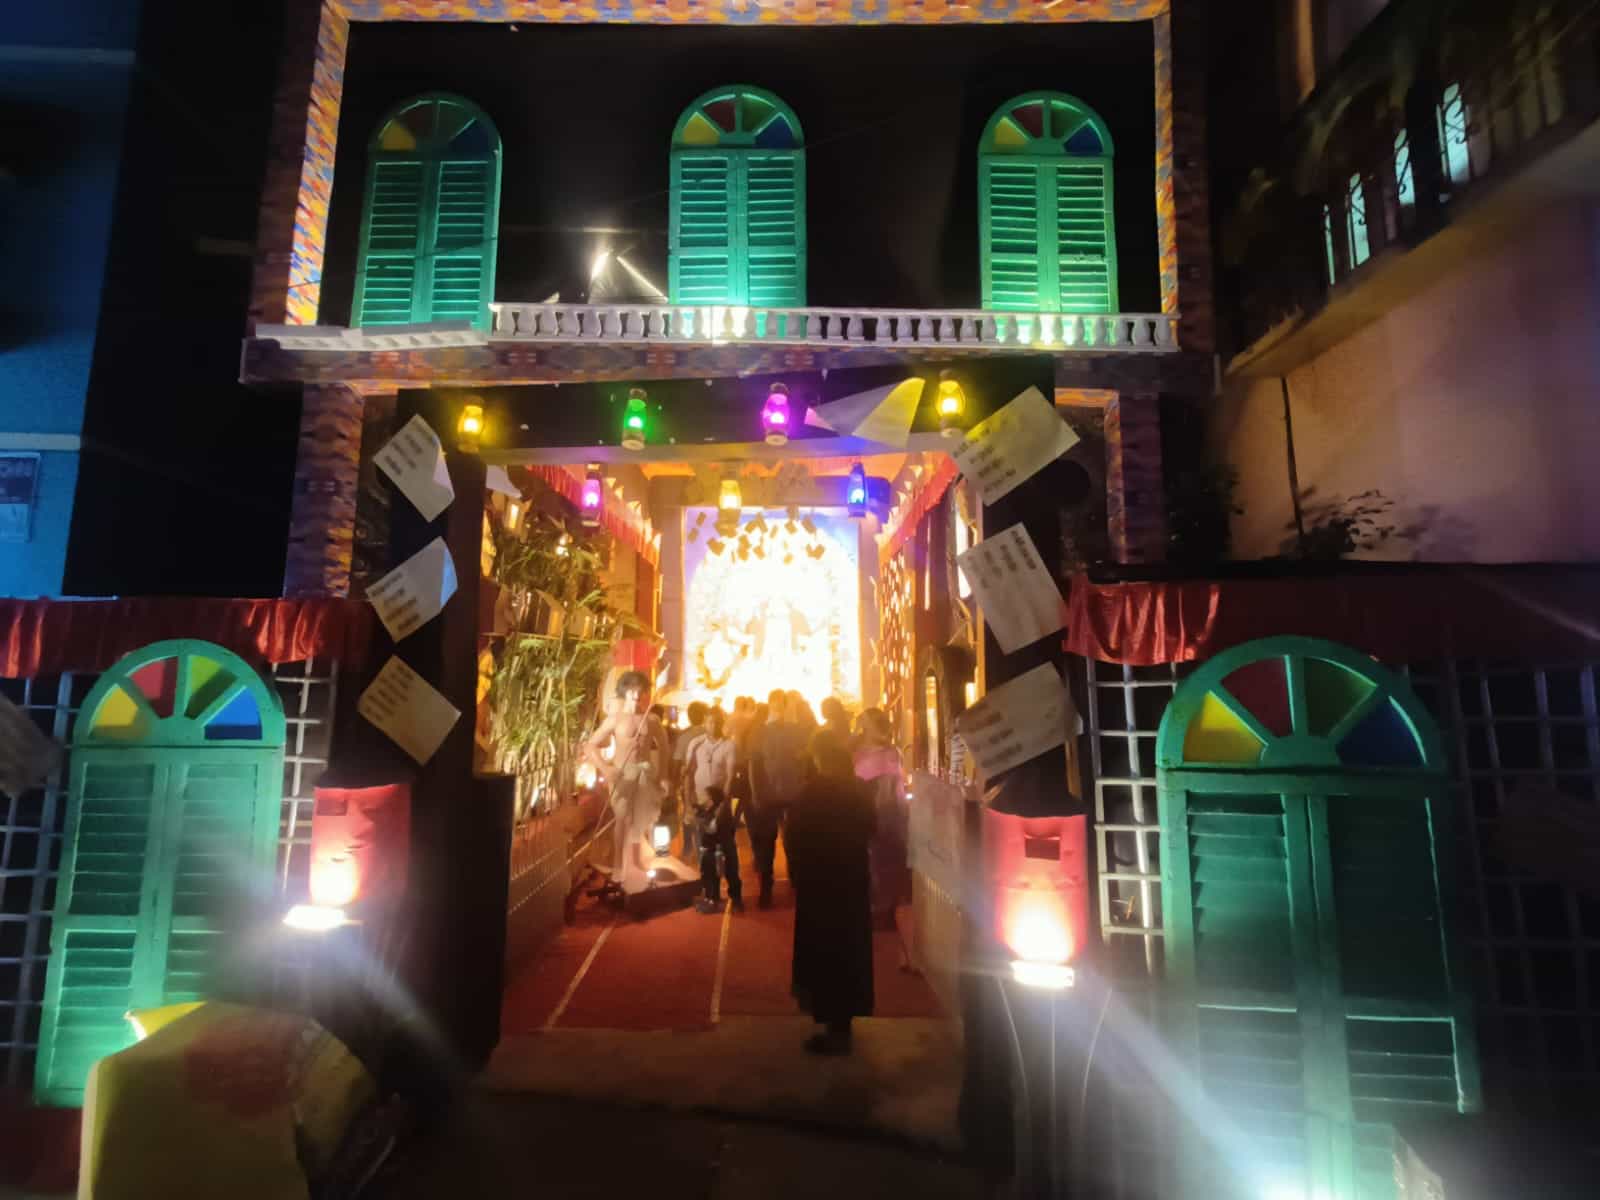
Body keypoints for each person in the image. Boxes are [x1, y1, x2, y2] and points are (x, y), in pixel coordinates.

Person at [786, 728, 876, 1055]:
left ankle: (834, 1026)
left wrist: (797, 875)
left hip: (820, 883)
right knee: (850, 949)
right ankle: (844, 1021)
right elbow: (872, 828)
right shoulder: (858, 790)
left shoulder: (812, 793)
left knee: (824, 952)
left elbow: (794, 836)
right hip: (851, 880)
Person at [582, 671, 669, 895]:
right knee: (622, 818)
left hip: (645, 774)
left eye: (640, 690)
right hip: (622, 774)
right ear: (625, 691)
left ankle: (637, 862)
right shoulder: (615, 718)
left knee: (641, 820)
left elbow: (665, 748)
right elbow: (590, 746)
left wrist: (663, 776)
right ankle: (619, 866)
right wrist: (605, 768)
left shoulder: (652, 719)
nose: (636, 695)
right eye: (632, 690)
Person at [749, 688, 806, 908]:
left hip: (791, 794)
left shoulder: (795, 730)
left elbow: (805, 760)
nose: (778, 708)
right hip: (769, 795)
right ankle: (767, 889)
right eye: (775, 703)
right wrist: (756, 792)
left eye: (781, 704)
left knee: (793, 841)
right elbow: (754, 764)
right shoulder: (760, 731)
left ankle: (795, 881)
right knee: (767, 843)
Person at [854, 707, 909, 935]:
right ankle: (885, 910)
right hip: (888, 813)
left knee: (879, 861)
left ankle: (881, 910)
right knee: (886, 861)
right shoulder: (891, 753)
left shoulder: (861, 754)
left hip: (876, 813)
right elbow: (898, 787)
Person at [693, 784, 743, 913]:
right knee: (710, 876)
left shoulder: (722, 811)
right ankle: (713, 899)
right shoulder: (704, 810)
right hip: (711, 850)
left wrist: (700, 820)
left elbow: (712, 828)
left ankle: (736, 901)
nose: (700, 796)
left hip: (724, 849)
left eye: (704, 795)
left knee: (731, 875)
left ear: (711, 798)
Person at [673, 701, 709, 862]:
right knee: (704, 817)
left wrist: (675, 782)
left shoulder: (684, 736)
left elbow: (677, 761)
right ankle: (702, 851)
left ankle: (688, 849)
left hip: (689, 782)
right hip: (707, 781)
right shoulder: (710, 734)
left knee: (688, 815)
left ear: (689, 716)